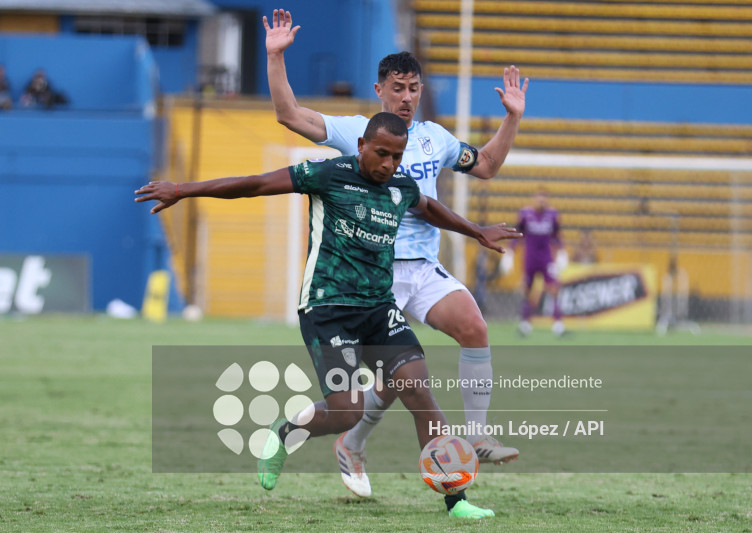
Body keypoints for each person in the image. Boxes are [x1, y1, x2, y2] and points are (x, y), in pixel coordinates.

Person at [135, 113, 521, 519]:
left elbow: (429, 208)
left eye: (397, 156)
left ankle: (456, 501)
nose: (389, 163)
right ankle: (285, 432)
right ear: (361, 147)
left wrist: (477, 231)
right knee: (347, 411)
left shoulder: (399, 186)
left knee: (418, 389)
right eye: (381, 153)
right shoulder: (328, 175)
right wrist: (183, 190)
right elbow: (257, 184)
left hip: (378, 307)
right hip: (328, 308)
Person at [263, 9, 528, 499]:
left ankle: (470, 435)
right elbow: (290, 115)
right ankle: (348, 438)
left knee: (470, 330)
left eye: (414, 89)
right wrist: (276, 59)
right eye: (398, 88)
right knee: (398, 383)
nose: (407, 98)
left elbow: (487, 164)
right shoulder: (356, 132)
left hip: (423, 269)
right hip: (371, 277)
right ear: (381, 88)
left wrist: (512, 117)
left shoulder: (434, 138)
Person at [502, 188, 567, 337]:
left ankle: (558, 324)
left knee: (553, 288)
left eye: (544, 198)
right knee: (527, 289)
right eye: (539, 198)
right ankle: (525, 323)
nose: (541, 201)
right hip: (530, 258)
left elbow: (557, 236)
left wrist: (562, 251)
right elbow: (517, 234)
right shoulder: (525, 214)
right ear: (534, 199)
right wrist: (510, 253)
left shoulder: (552, 215)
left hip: (546, 258)